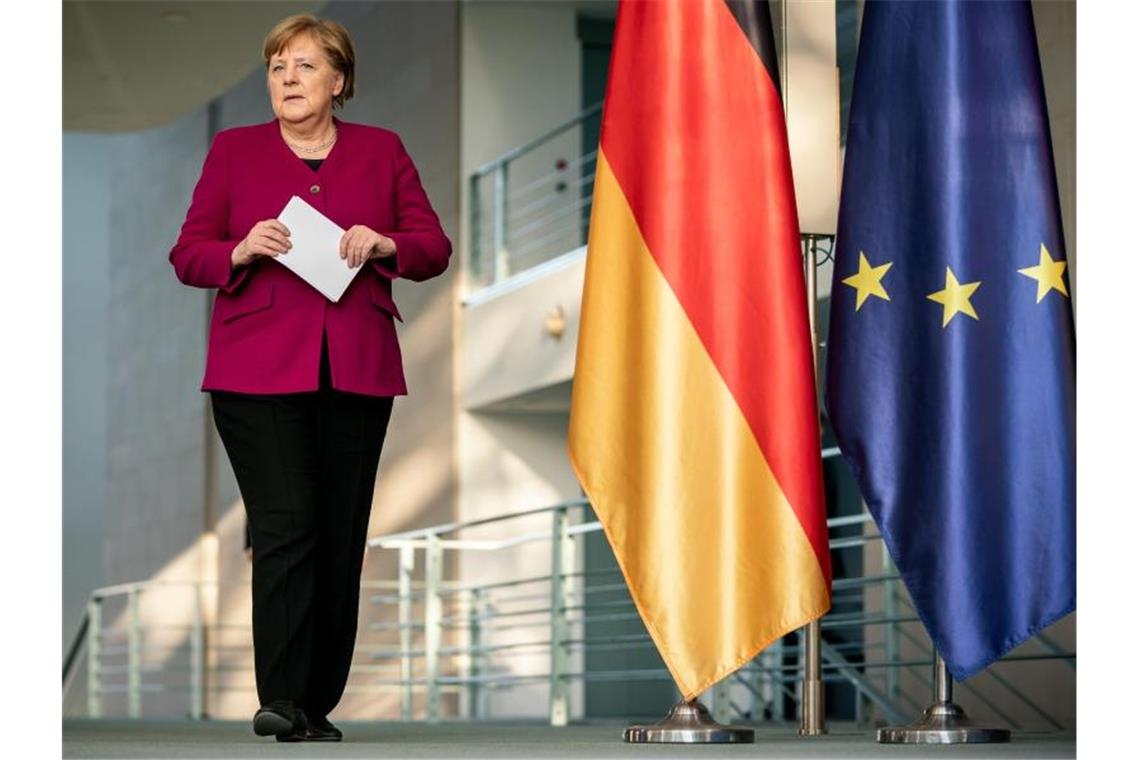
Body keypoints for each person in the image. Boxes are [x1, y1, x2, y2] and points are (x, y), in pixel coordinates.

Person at [168, 13, 451, 742]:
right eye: (277, 69)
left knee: (338, 534)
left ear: (338, 81)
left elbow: (432, 246)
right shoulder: (234, 152)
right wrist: (239, 248)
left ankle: (315, 701)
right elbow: (187, 254)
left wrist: (387, 242)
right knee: (286, 525)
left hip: (356, 370)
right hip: (253, 372)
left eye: (303, 67)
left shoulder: (382, 151)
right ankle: (282, 697)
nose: (287, 80)